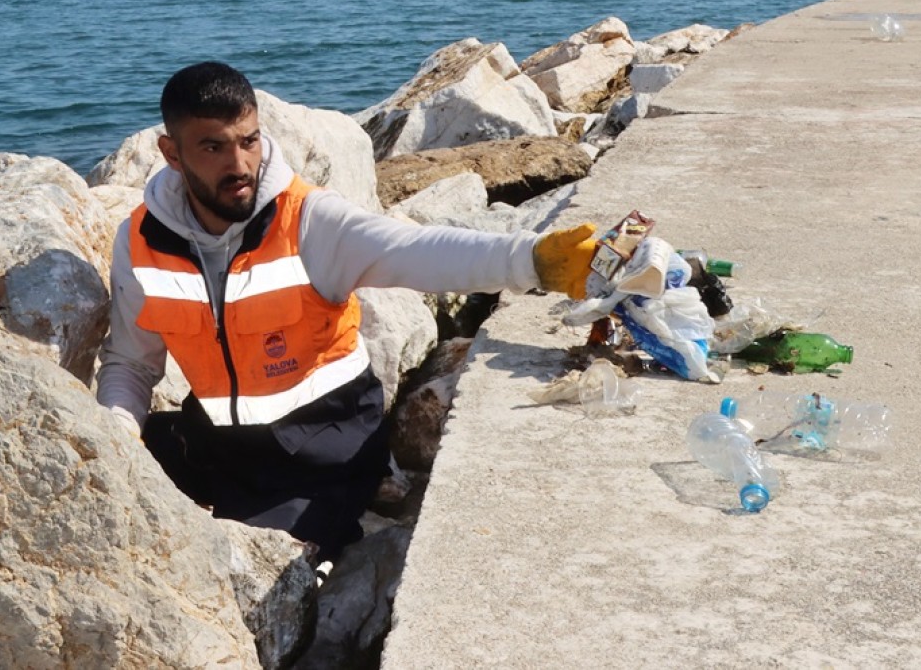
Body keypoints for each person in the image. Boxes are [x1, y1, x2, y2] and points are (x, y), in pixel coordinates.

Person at [96, 61, 598, 561]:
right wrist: (116, 437)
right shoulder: (141, 240)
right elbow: (132, 363)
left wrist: (533, 261)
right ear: (172, 154)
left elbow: (417, 252)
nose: (240, 165)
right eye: (213, 147)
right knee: (100, 486)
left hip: (324, 447)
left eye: (248, 140)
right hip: (221, 442)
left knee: (246, 560)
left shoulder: (309, 221)